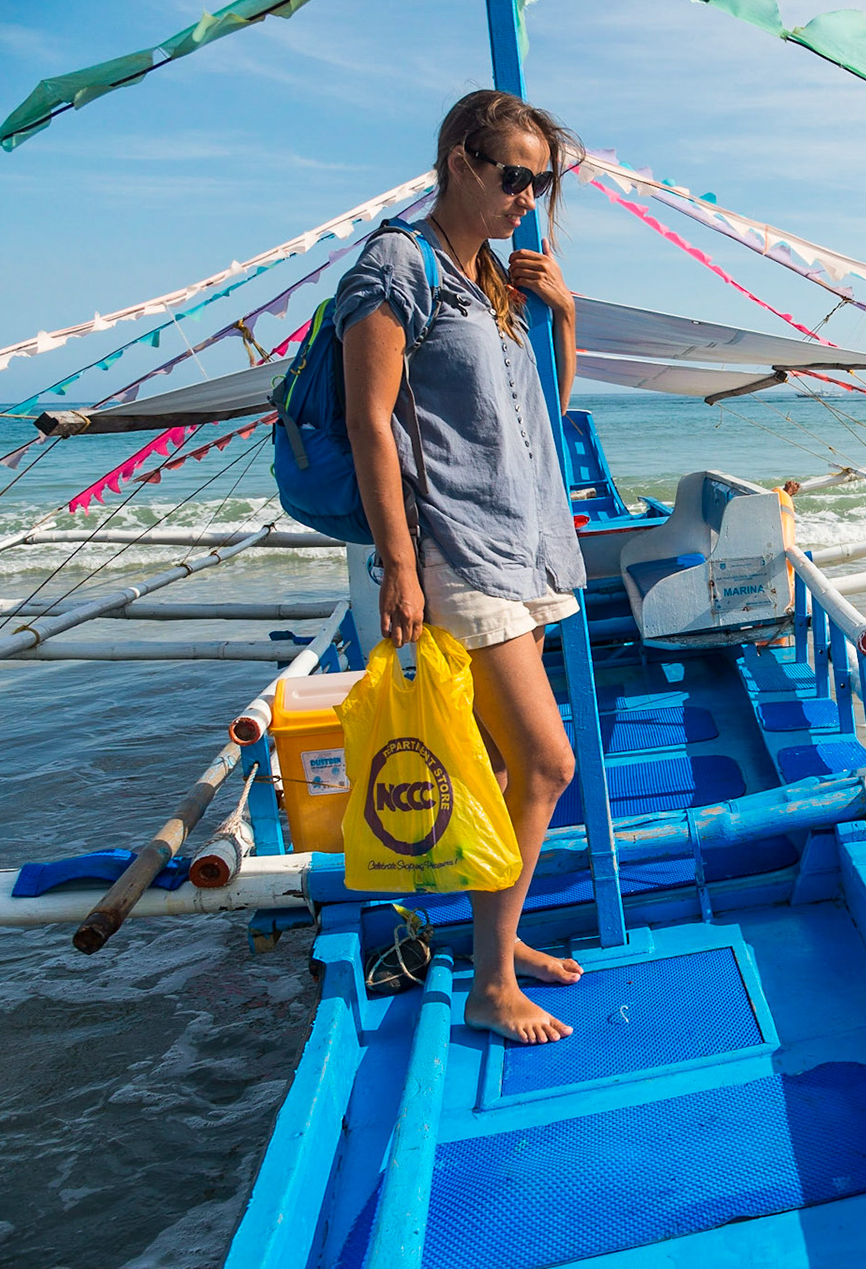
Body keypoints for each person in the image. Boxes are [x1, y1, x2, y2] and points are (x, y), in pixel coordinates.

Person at [339, 90, 589, 1045]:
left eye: (542, 181)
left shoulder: (492, 280)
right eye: (513, 175)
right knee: (546, 759)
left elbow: (535, 420)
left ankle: (504, 938)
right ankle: (490, 979)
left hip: (516, 542)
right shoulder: (401, 265)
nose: (528, 196)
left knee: (506, 763)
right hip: (455, 551)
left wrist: (561, 315)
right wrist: (399, 566)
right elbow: (370, 423)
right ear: (457, 161)